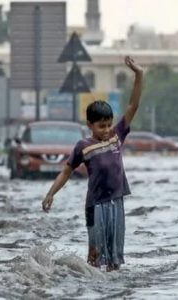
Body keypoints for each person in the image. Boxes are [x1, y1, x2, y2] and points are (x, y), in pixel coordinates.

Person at [42, 56, 143, 272]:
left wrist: (139, 75)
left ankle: (112, 289)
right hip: (95, 205)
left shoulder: (117, 136)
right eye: (101, 126)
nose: (106, 130)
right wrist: (51, 194)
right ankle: (92, 288)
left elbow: (133, 105)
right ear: (89, 125)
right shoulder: (83, 146)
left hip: (117, 202)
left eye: (108, 125)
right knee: (95, 256)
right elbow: (66, 172)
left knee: (115, 258)